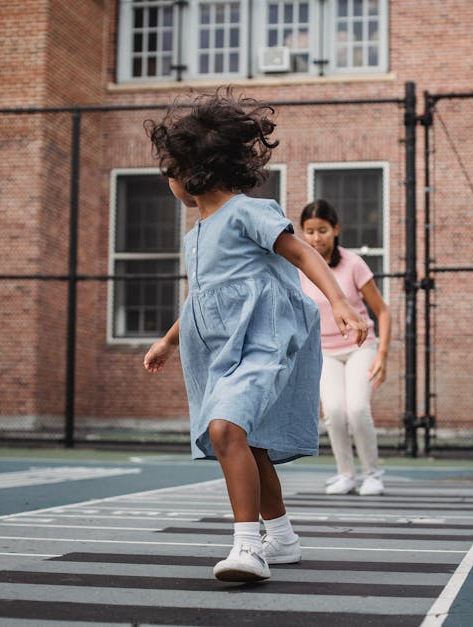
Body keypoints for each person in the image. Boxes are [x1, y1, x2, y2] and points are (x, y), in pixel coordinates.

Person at [142, 89, 368, 583]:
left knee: (226, 431)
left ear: (192, 173)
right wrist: (169, 339)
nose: (169, 183)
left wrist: (340, 302)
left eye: (169, 173)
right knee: (251, 443)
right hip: (217, 351)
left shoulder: (249, 212)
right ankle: (283, 539)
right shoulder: (194, 236)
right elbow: (201, 296)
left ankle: (248, 547)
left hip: (262, 341)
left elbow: (303, 255)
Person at [299, 200, 391, 496]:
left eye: (323, 230)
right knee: (335, 412)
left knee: (357, 409)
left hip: (359, 347)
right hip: (324, 352)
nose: (316, 238)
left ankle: (373, 474)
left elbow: (383, 311)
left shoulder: (353, 264)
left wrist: (382, 355)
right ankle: (345, 474)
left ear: (336, 230)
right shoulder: (300, 269)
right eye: (310, 232)